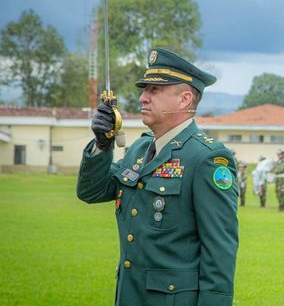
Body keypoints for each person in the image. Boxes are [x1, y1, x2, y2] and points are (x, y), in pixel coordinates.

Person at [77, 48, 239, 306]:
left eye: (154, 90)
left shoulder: (206, 158)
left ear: (185, 99)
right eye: (144, 90)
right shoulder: (140, 151)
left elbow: (219, 249)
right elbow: (92, 191)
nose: (142, 98)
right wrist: (102, 143)